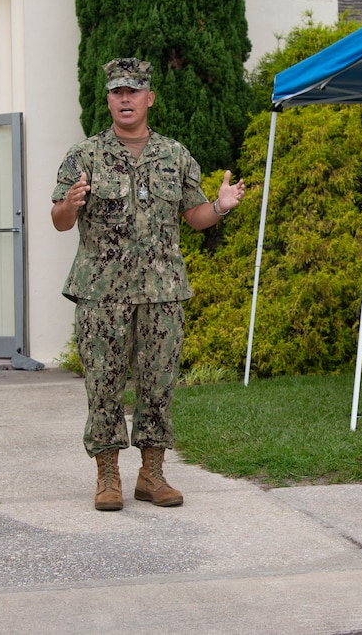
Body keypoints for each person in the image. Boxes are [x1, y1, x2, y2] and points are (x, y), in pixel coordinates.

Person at [51, 57, 245, 511]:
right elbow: (59, 221)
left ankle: (152, 475)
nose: (125, 99)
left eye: (133, 91)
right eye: (117, 92)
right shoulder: (84, 156)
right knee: (103, 386)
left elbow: (195, 217)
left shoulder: (174, 155)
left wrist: (219, 206)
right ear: (108, 100)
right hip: (102, 294)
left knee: (158, 385)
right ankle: (107, 477)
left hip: (162, 291)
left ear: (149, 99)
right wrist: (70, 204)